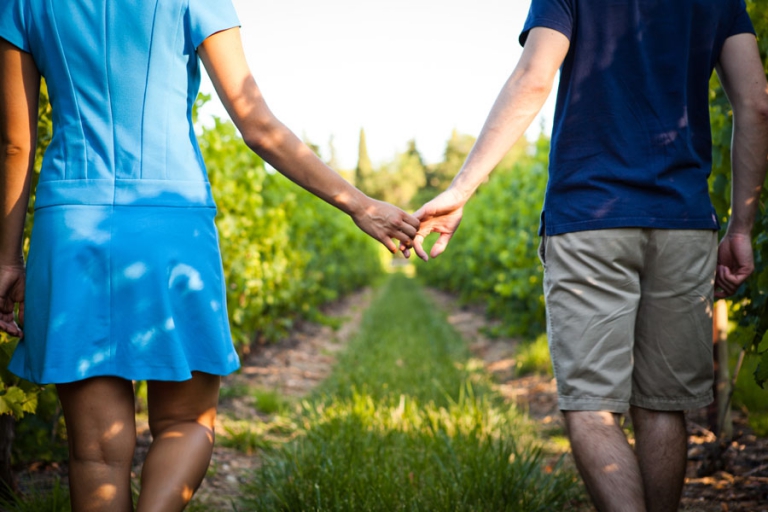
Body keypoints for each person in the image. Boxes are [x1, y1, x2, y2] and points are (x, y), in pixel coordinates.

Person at [0, 1, 418, 510]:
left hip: (71, 228)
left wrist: (7, 260)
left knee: (95, 454)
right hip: (172, 227)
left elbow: (16, 145)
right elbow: (257, 124)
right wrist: (359, 204)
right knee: (186, 422)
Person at [412, 1, 768, 510]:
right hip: (684, 221)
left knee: (592, 408)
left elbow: (534, 78)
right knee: (663, 406)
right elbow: (756, 104)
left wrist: (461, 188)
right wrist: (742, 226)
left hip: (589, 218)